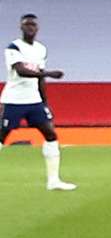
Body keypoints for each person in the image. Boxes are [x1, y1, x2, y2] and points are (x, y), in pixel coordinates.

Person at [3, 13, 68, 192]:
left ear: (37, 28)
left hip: (34, 100)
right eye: (27, 25)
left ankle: (53, 180)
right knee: (2, 136)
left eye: (33, 25)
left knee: (50, 134)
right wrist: (48, 74)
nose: (30, 28)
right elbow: (21, 71)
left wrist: (45, 102)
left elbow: (39, 78)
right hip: (14, 100)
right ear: (21, 27)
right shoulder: (14, 47)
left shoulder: (40, 49)